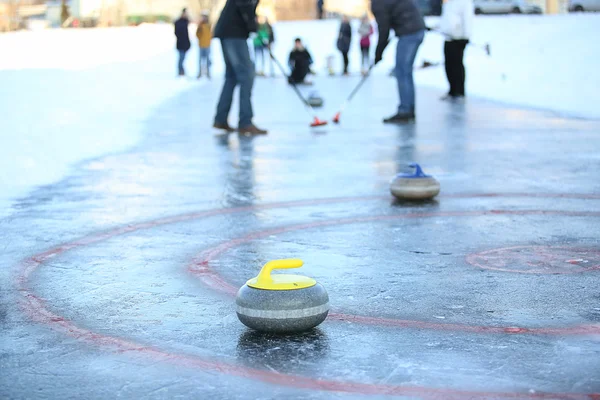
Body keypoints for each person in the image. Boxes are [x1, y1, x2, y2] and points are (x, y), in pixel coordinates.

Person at [213, 0, 267, 135]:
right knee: (246, 75)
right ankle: (245, 122)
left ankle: (221, 119)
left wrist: (252, 27)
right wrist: (253, 27)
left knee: (231, 77)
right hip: (234, 33)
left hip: (228, 31)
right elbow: (245, 4)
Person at [372, 0, 426, 123]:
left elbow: (384, 29)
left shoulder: (378, 3)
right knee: (405, 72)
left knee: (401, 71)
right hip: (415, 28)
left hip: (409, 32)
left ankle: (405, 110)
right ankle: (408, 108)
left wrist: (378, 54)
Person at [439, 0, 474, 100]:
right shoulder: (448, 3)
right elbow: (447, 19)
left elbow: (468, 19)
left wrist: (466, 36)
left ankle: (459, 91)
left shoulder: (464, 2)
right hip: (448, 37)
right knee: (448, 65)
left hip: (458, 38)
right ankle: (452, 89)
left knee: (457, 65)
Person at [174, 8, 191, 76]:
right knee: (181, 59)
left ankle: (182, 71)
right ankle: (181, 71)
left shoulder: (185, 22)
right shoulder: (179, 22)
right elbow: (177, 33)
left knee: (182, 59)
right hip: (181, 43)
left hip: (185, 44)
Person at [196, 12, 212, 79]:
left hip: (207, 45)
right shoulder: (200, 26)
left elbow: (211, 35)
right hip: (201, 45)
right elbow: (197, 35)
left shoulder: (209, 25)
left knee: (208, 60)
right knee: (200, 60)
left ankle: (208, 72)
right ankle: (200, 72)